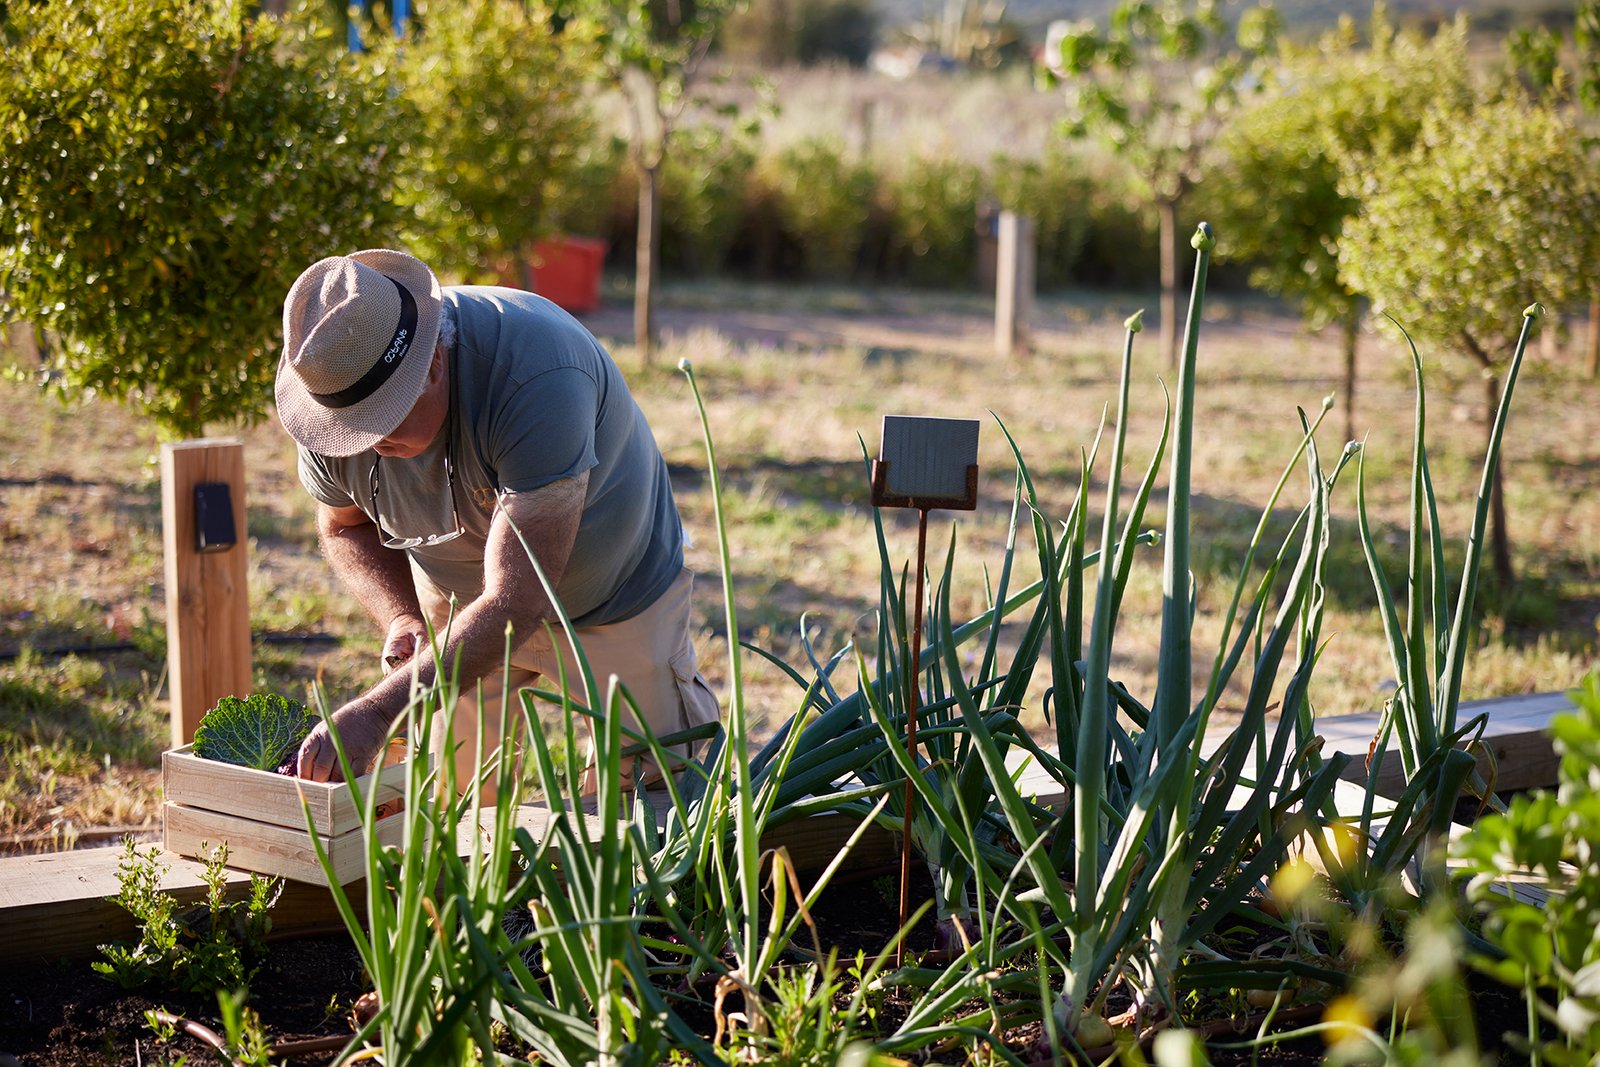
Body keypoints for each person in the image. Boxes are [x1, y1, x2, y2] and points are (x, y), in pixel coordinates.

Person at [274, 248, 719, 794]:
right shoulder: (330, 382)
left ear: (433, 366)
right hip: (458, 608)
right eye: (349, 429)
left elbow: (518, 599)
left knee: (657, 795)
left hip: (610, 598)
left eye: (382, 420)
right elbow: (345, 525)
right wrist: (401, 616)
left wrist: (379, 711)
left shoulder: (536, 376)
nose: (365, 443)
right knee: (452, 800)